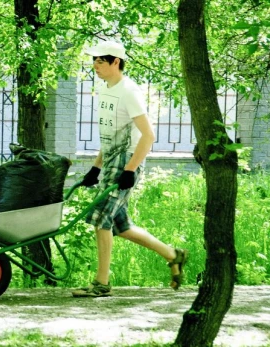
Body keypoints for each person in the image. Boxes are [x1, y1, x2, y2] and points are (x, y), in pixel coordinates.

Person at [71, 41, 189, 297]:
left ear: (116, 62)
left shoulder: (129, 91)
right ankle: (173, 255)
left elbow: (148, 135)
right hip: (112, 159)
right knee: (120, 226)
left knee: (101, 218)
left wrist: (130, 170)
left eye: (101, 61)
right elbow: (112, 134)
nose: (95, 66)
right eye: (94, 61)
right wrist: (96, 167)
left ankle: (101, 283)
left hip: (127, 161)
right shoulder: (104, 89)